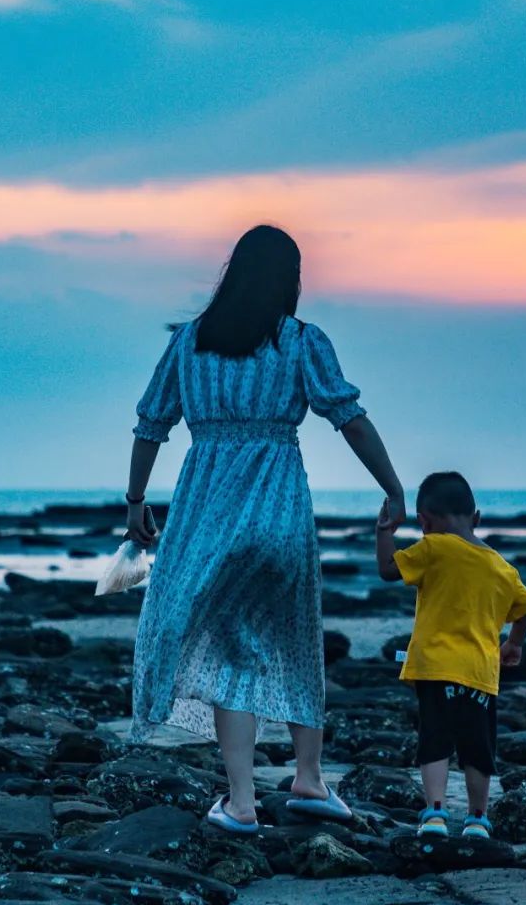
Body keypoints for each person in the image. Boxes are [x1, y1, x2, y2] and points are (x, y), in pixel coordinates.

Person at [124, 224, 405, 835]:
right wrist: (391, 485)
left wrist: (136, 500)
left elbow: (151, 424)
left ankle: (243, 801)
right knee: (296, 638)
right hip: (278, 510)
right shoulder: (303, 342)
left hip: (207, 514)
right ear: (290, 280)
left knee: (228, 653)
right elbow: (349, 418)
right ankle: (309, 778)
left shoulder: (189, 342)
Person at [376, 470, 526, 839]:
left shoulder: (433, 548)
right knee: (477, 747)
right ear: (476, 517)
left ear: (424, 522)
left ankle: (435, 813)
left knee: (434, 740)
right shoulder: (502, 567)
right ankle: (477, 818)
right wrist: (515, 643)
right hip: (480, 671)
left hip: (434, 667)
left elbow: (387, 570)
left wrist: (384, 531)